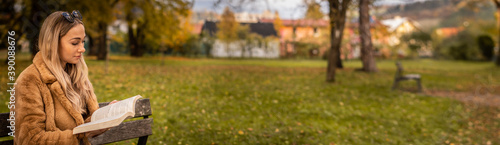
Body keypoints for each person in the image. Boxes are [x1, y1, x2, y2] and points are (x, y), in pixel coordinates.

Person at [13, 10, 117, 145]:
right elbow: (29, 140)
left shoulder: (76, 75)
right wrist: (81, 135)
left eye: (83, 42)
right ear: (53, 43)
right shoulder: (29, 81)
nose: (82, 49)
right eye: (75, 43)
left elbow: (81, 125)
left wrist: (105, 116)